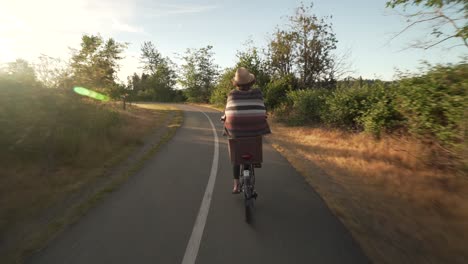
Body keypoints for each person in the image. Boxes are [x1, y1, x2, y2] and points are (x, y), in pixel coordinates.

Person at [221, 67, 271, 193]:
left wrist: (225, 118)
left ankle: (236, 184)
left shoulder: (232, 94)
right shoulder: (258, 92)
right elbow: (261, 107)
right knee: (255, 139)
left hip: (236, 131)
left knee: (236, 153)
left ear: (236, 83)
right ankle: (255, 162)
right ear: (251, 82)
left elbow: (228, 111)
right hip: (255, 129)